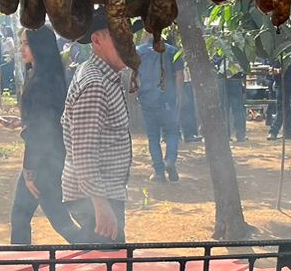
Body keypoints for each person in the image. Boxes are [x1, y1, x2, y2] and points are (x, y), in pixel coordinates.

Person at [60, 13, 134, 243]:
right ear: (97, 41)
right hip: (93, 198)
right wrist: (100, 205)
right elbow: (84, 153)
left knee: (112, 266)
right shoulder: (94, 85)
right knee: (109, 270)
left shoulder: (106, 75)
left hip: (102, 193)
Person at [11, 26, 79, 244]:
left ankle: (105, 254)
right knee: (23, 217)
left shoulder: (41, 81)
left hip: (44, 162)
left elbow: (43, 129)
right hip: (50, 158)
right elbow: (42, 121)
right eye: (21, 43)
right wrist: (22, 122)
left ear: (40, 46)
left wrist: (30, 170)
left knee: (59, 221)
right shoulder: (46, 75)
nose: (21, 48)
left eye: (26, 43)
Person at [135, 36, 182, 181]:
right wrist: (178, 97)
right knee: (172, 133)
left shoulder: (139, 52)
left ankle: (159, 172)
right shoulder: (173, 51)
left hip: (148, 100)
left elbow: (135, 76)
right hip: (168, 100)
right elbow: (179, 77)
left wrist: (138, 94)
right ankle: (170, 161)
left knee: (153, 137)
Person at [267, 58, 291, 141]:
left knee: (282, 107)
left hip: (287, 82)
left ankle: (274, 131)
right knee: (286, 107)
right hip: (279, 81)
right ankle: (289, 132)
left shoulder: (290, 51)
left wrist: (279, 70)